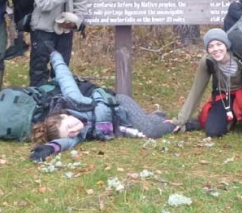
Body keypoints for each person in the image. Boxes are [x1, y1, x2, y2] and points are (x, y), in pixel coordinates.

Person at [29, 50, 175, 161]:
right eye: (70, 133)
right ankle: (158, 116)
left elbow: (64, 76)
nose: (74, 130)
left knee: (150, 130)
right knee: (148, 125)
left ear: (64, 115)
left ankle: (182, 123)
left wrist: (54, 55)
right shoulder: (80, 134)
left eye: (69, 126)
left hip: (120, 105)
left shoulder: (75, 100)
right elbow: (67, 142)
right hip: (121, 124)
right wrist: (50, 147)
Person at [168, 29, 242, 142]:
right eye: (211, 46)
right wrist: (181, 120)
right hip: (224, 96)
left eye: (219, 44)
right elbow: (197, 90)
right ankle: (231, 119)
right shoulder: (207, 61)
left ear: (226, 45)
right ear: (208, 50)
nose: (216, 49)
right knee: (213, 132)